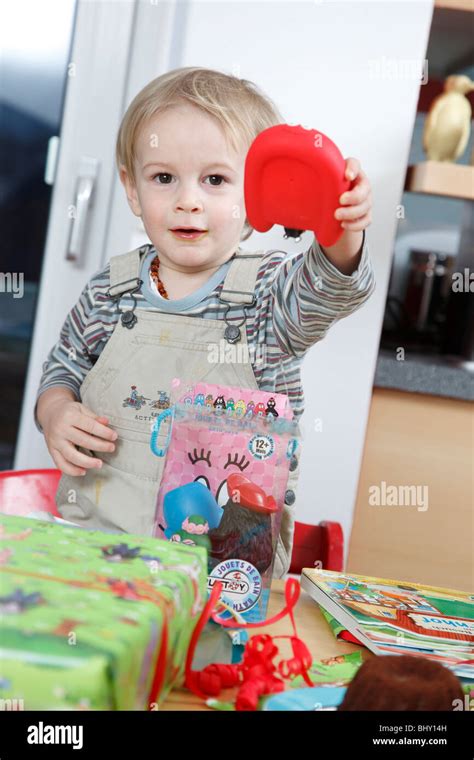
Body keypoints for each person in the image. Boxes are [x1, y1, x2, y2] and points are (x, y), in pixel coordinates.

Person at [35, 67, 376, 578]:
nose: (187, 199)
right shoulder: (111, 290)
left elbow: (330, 286)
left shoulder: (266, 299)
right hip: (94, 555)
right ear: (132, 189)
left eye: (215, 179)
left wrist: (340, 230)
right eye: (163, 177)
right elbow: (63, 366)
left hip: (219, 573)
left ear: (261, 194)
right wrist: (56, 410)